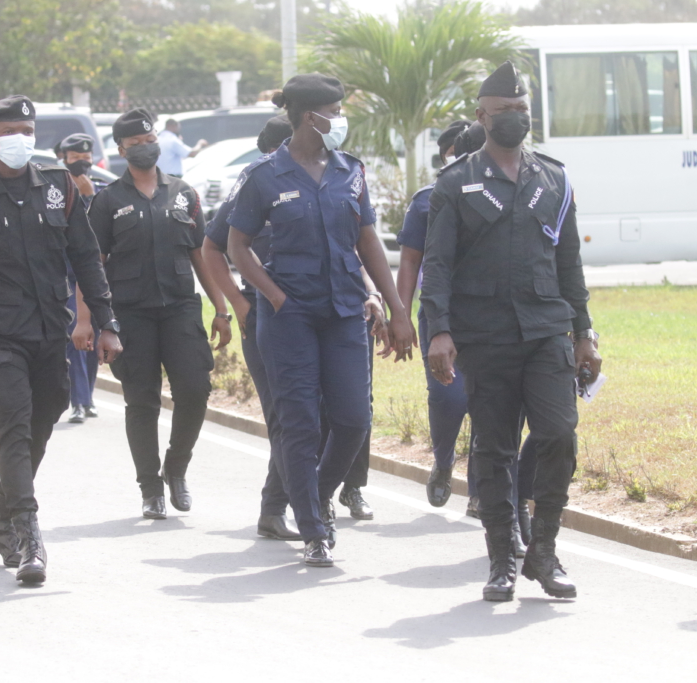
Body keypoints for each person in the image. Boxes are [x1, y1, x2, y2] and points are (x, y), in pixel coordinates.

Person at [422, 61, 602, 602]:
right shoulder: (456, 184)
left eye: (522, 111)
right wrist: (439, 330)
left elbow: (569, 262)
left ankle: (543, 551)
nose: (515, 119)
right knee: (495, 448)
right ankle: (503, 557)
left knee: (559, 433)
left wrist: (584, 331)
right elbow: (438, 264)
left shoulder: (554, 177)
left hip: (548, 327)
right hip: (486, 334)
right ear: (482, 116)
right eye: (505, 112)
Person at [0, 96, 122, 584]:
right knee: (13, 427)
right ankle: (29, 537)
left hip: (49, 334)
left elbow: (86, 257)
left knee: (40, 425)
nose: (21, 138)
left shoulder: (58, 186)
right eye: (10, 130)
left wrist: (106, 322)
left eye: (27, 130)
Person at [226, 74, 415, 567]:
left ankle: (316, 497)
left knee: (353, 420)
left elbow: (368, 240)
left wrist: (397, 309)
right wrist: (273, 296)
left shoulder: (350, 170)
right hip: (290, 318)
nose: (341, 118)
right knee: (300, 423)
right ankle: (314, 528)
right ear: (312, 117)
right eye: (336, 109)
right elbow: (235, 245)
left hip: (344, 311)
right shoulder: (264, 175)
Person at [88, 108, 227, 520]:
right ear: (121, 150)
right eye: (137, 144)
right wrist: (94, 321)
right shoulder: (108, 200)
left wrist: (220, 308)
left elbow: (200, 253)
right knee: (142, 400)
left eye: (151, 141)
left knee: (195, 390)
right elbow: (91, 264)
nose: (147, 149)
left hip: (180, 309)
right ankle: (150, 488)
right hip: (131, 315)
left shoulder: (183, 192)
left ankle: (176, 468)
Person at [201, 115, 301, 540]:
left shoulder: (328, 177)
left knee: (329, 413)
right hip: (268, 311)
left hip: (321, 310)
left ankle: (306, 495)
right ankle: (276, 507)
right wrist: (238, 305)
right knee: (286, 415)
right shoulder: (255, 182)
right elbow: (213, 246)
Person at [396, 120, 484, 510]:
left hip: (491, 317)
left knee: (491, 403)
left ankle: (484, 491)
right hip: (440, 314)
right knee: (449, 399)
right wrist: (399, 315)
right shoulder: (427, 200)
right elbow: (410, 262)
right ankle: (444, 461)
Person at [58, 133, 108, 424]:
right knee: (76, 334)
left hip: (96, 279)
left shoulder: (100, 191)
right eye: (75, 159)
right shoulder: (56, 191)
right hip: (65, 278)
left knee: (96, 339)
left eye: (85, 159)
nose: (81, 164)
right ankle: (79, 401)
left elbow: (101, 231)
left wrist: (89, 196)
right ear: (64, 159)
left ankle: (87, 396)